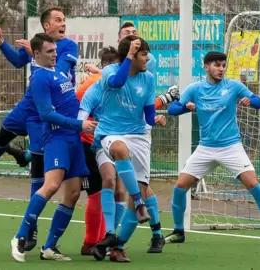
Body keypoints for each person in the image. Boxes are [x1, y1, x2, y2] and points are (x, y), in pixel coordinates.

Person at [166, 51, 260, 246]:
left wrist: (249, 101)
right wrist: (188, 107)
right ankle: (178, 231)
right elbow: (172, 110)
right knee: (179, 187)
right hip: (205, 148)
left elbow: (259, 102)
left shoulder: (234, 86)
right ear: (206, 67)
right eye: (217, 65)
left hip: (231, 147)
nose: (221, 69)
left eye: (223, 65)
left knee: (253, 184)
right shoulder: (195, 89)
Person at [0, 7, 78, 251]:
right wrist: (0, 43)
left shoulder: (68, 47)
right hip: (29, 104)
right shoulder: (36, 44)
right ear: (46, 25)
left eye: (64, 20)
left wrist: (34, 55)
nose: (63, 23)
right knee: (1, 135)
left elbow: (58, 73)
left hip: (45, 112)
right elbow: (19, 61)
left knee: (37, 169)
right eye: (58, 20)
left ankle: (31, 228)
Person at [10, 33, 96, 262]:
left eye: (55, 51)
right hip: (57, 138)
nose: (54, 54)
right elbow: (46, 114)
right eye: (49, 52)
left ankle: (49, 247)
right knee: (51, 185)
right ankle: (19, 236)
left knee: (74, 192)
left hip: (74, 139)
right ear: (36, 54)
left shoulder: (58, 70)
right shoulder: (39, 79)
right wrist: (81, 124)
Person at [90, 36, 166, 262]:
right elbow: (117, 83)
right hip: (110, 131)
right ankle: (141, 204)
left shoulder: (149, 79)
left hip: (139, 136)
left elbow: (149, 116)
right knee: (120, 150)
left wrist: (158, 118)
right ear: (130, 56)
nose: (147, 58)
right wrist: (130, 55)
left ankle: (114, 246)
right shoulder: (109, 71)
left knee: (135, 202)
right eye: (143, 54)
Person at [75, 47, 119, 255]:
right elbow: (76, 112)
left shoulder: (120, 84)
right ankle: (91, 242)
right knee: (93, 190)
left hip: (108, 143)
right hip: (87, 143)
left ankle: (101, 240)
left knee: (108, 188)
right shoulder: (90, 86)